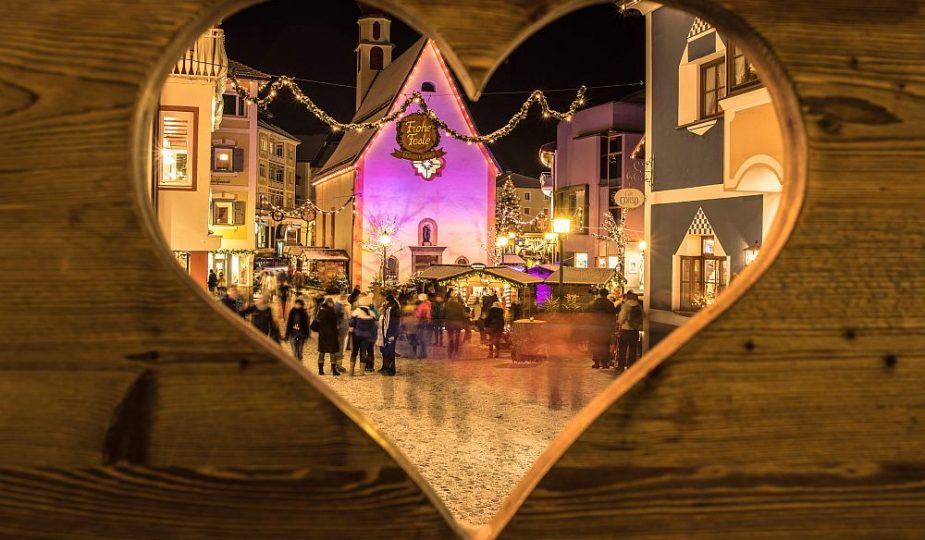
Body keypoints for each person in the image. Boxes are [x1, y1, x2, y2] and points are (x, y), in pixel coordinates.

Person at [589, 289, 618, 369]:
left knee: (596, 344)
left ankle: (596, 363)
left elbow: (590, 315)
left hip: (596, 328)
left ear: (600, 294)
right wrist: (612, 327)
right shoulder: (610, 304)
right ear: (607, 294)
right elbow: (613, 317)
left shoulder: (595, 303)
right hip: (606, 328)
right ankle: (605, 363)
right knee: (605, 345)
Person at [348, 296, 377, 375]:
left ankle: (351, 371)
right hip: (367, 336)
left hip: (356, 335)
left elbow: (351, 323)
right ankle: (362, 372)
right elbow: (374, 327)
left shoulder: (356, 312)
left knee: (354, 352)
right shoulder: (372, 313)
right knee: (363, 352)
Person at [616, 291, 644, 370]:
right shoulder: (638, 305)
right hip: (635, 330)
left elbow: (622, 317)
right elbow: (643, 316)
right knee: (633, 348)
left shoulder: (626, 305)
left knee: (622, 348)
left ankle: (621, 365)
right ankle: (631, 365)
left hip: (625, 330)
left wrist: (620, 323)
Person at [314, 297, 341, 376]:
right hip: (331, 334)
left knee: (322, 351)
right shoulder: (332, 311)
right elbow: (335, 323)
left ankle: (320, 370)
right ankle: (334, 370)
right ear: (329, 303)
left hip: (322, 334)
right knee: (332, 352)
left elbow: (317, 321)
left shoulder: (320, 311)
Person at [377, 293, 401, 376]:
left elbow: (393, 324)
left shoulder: (393, 310)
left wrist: (391, 335)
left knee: (390, 352)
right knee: (385, 351)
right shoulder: (388, 309)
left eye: (386, 300)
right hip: (385, 333)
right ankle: (385, 367)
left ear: (388, 301)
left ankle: (391, 370)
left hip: (390, 334)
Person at [285, 299, 309, 364]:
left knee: (300, 351)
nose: (297, 305)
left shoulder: (304, 313)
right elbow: (289, 323)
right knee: (294, 351)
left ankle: (299, 362)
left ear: (301, 305)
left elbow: (306, 324)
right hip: (292, 333)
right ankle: (295, 364)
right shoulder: (292, 312)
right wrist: (287, 334)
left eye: (299, 304)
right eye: (296, 304)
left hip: (301, 334)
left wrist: (306, 334)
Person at [445, 293, 468, 358]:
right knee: (457, 338)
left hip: (449, 322)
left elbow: (443, 313)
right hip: (458, 323)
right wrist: (464, 322)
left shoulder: (447, 305)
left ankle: (450, 351)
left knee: (450, 337)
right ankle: (456, 351)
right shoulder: (459, 305)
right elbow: (463, 315)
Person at [413, 293, 432, 359]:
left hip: (421, 322)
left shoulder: (422, 305)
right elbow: (428, 315)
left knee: (421, 338)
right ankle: (423, 353)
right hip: (425, 322)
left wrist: (415, 311)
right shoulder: (427, 305)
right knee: (422, 338)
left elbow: (418, 314)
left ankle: (423, 354)